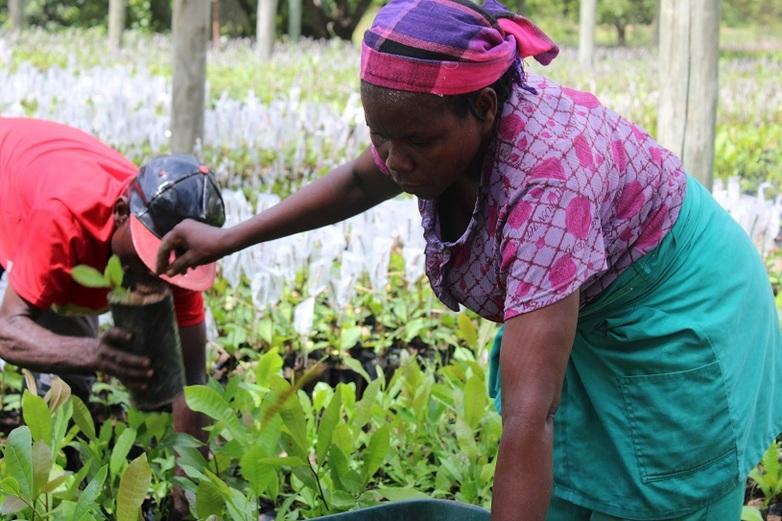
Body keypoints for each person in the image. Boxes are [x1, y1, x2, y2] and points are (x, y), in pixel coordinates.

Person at [154, 0, 782, 519]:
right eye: (380, 136)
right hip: (598, 309)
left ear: (484, 108)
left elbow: (530, 418)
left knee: (668, 490)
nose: (395, 160)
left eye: (415, 142)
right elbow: (359, 181)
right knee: (571, 490)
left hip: (681, 310)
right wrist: (227, 239)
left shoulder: (548, 188)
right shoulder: (427, 125)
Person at [0, 117, 225, 447]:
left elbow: (192, 381)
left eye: (170, 267)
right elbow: (7, 331)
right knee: (68, 352)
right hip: (15, 180)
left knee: (65, 383)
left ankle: (48, 463)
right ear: (121, 213)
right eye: (149, 256)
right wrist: (93, 352)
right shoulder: (64, 219)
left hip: (41, 195)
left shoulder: (174, 248)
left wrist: (192, 466)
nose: (156, 275)